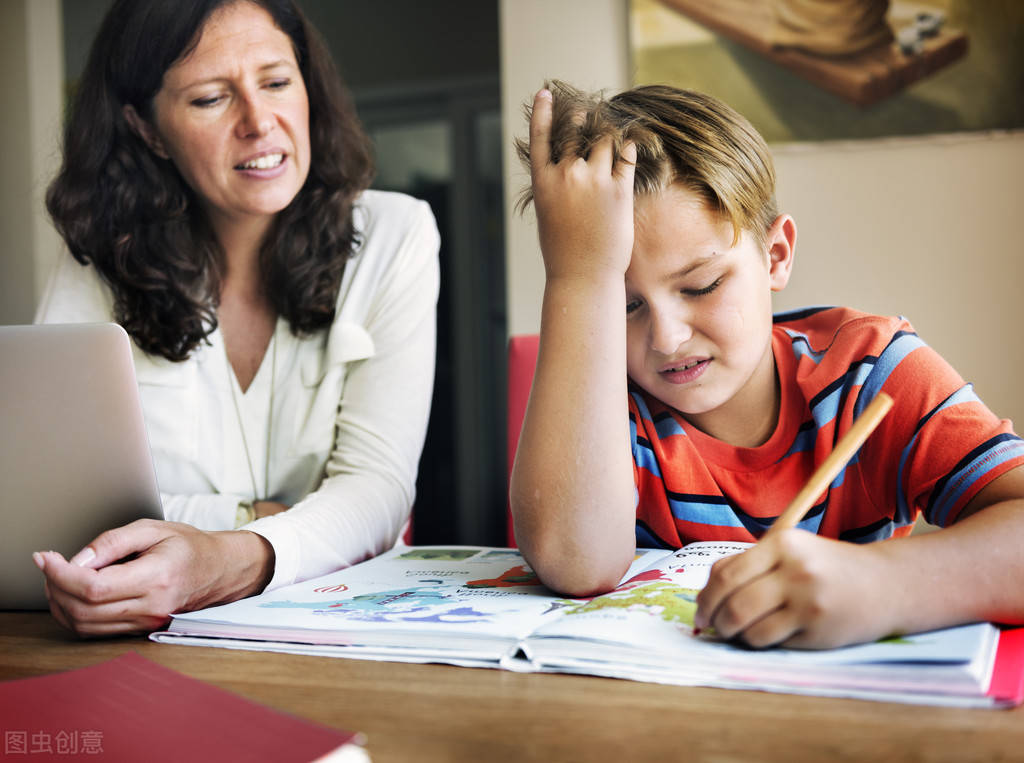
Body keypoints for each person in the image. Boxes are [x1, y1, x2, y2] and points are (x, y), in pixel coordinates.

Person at [510, 81, 1024, 649]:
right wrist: (579, 278)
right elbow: (573, 562)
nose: (666, 337)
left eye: (702, 286)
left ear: (775, 256)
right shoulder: (607, 404)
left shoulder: (870, 371)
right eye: (623, 304)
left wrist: (885, 585)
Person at [33, 0, 439, 637]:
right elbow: (63, 501)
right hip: (149, 641)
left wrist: (220, 557)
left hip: (338, 629)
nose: (259, 122)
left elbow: (378, 491)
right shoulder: (95, 259)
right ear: (147, 129)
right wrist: (261, 513)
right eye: (209, 100)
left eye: (277, 83)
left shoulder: (397, 235)